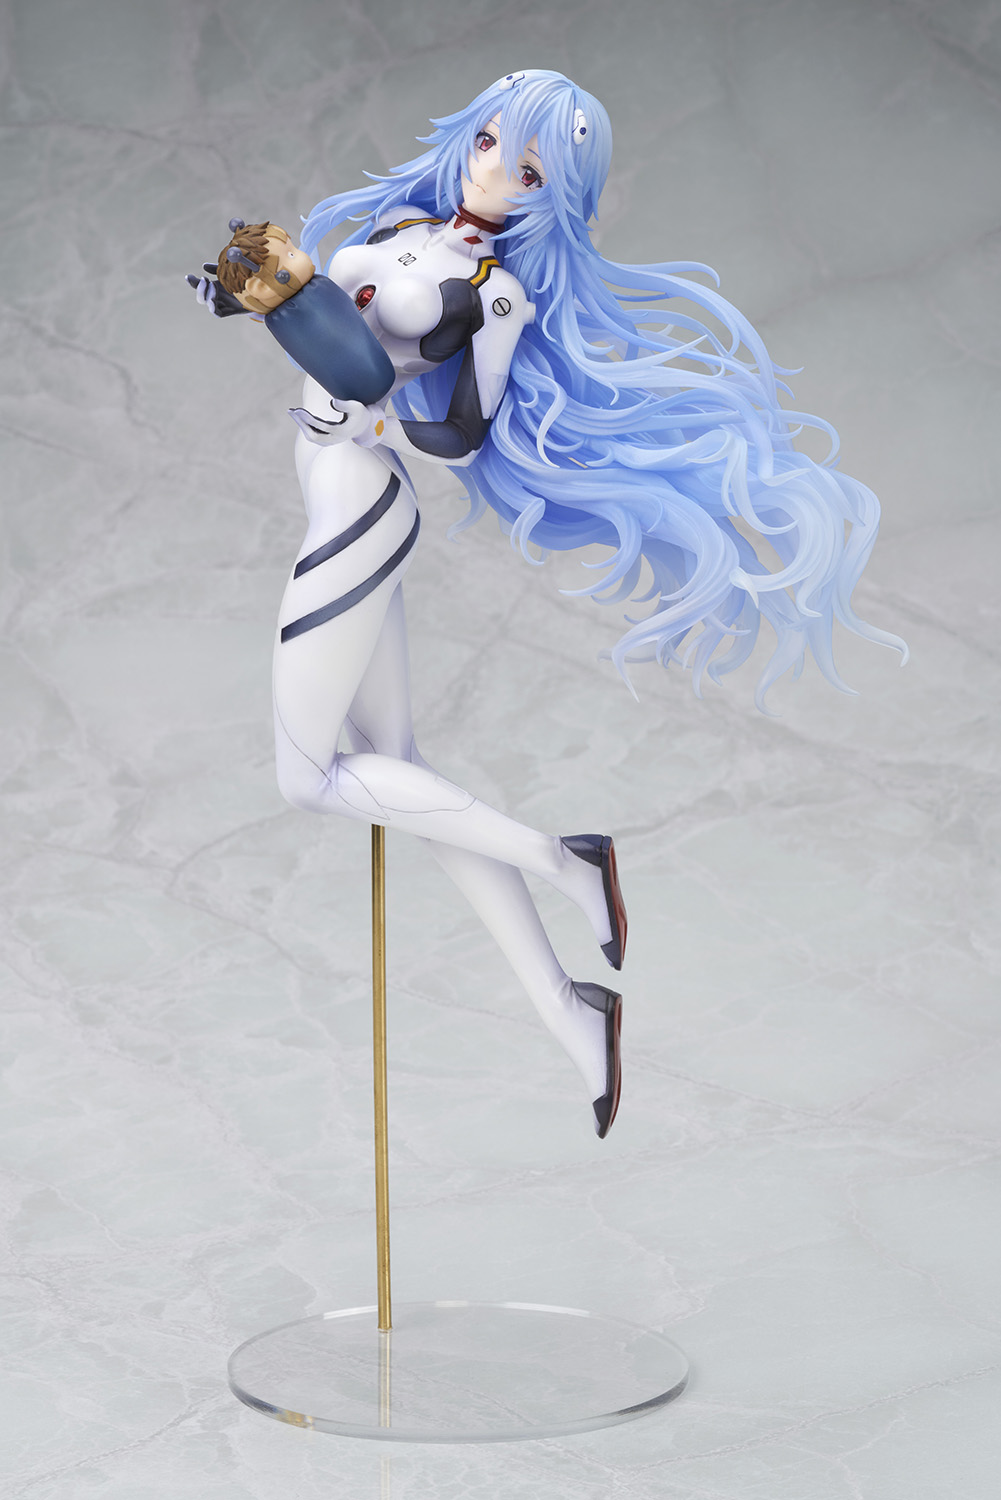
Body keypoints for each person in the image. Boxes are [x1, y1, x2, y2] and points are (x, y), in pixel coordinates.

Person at [190, 69, 905, 1139]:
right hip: (330, 492)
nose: (493, 170)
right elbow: (329, 329)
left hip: (359, 509)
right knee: (403, 777)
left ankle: (562, 859)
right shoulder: (396, 227)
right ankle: (571, 1013)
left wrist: (378, 429)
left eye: (526, 169)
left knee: (309, 780)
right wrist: (241, 299)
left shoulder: (496, 295)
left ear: (551, 195)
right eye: (488, 141)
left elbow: (459, 433)